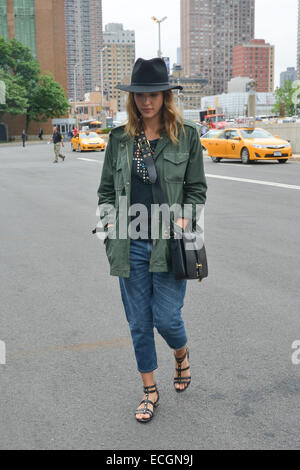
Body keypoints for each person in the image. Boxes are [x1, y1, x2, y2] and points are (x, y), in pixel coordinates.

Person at [97, 58, 207, 423]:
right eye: (140, 95)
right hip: (130, 243)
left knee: (166, 318)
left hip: (169, 242)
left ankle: (181, 352)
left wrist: (182, 217)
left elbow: (196, 190)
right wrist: (110, 227)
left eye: (154, 94)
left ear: (165, 95)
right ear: (133, 98)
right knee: (139, 323)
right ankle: (149, 391)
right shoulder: (119, 140)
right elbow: (106, 192)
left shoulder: (187, 136)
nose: (147, 101)